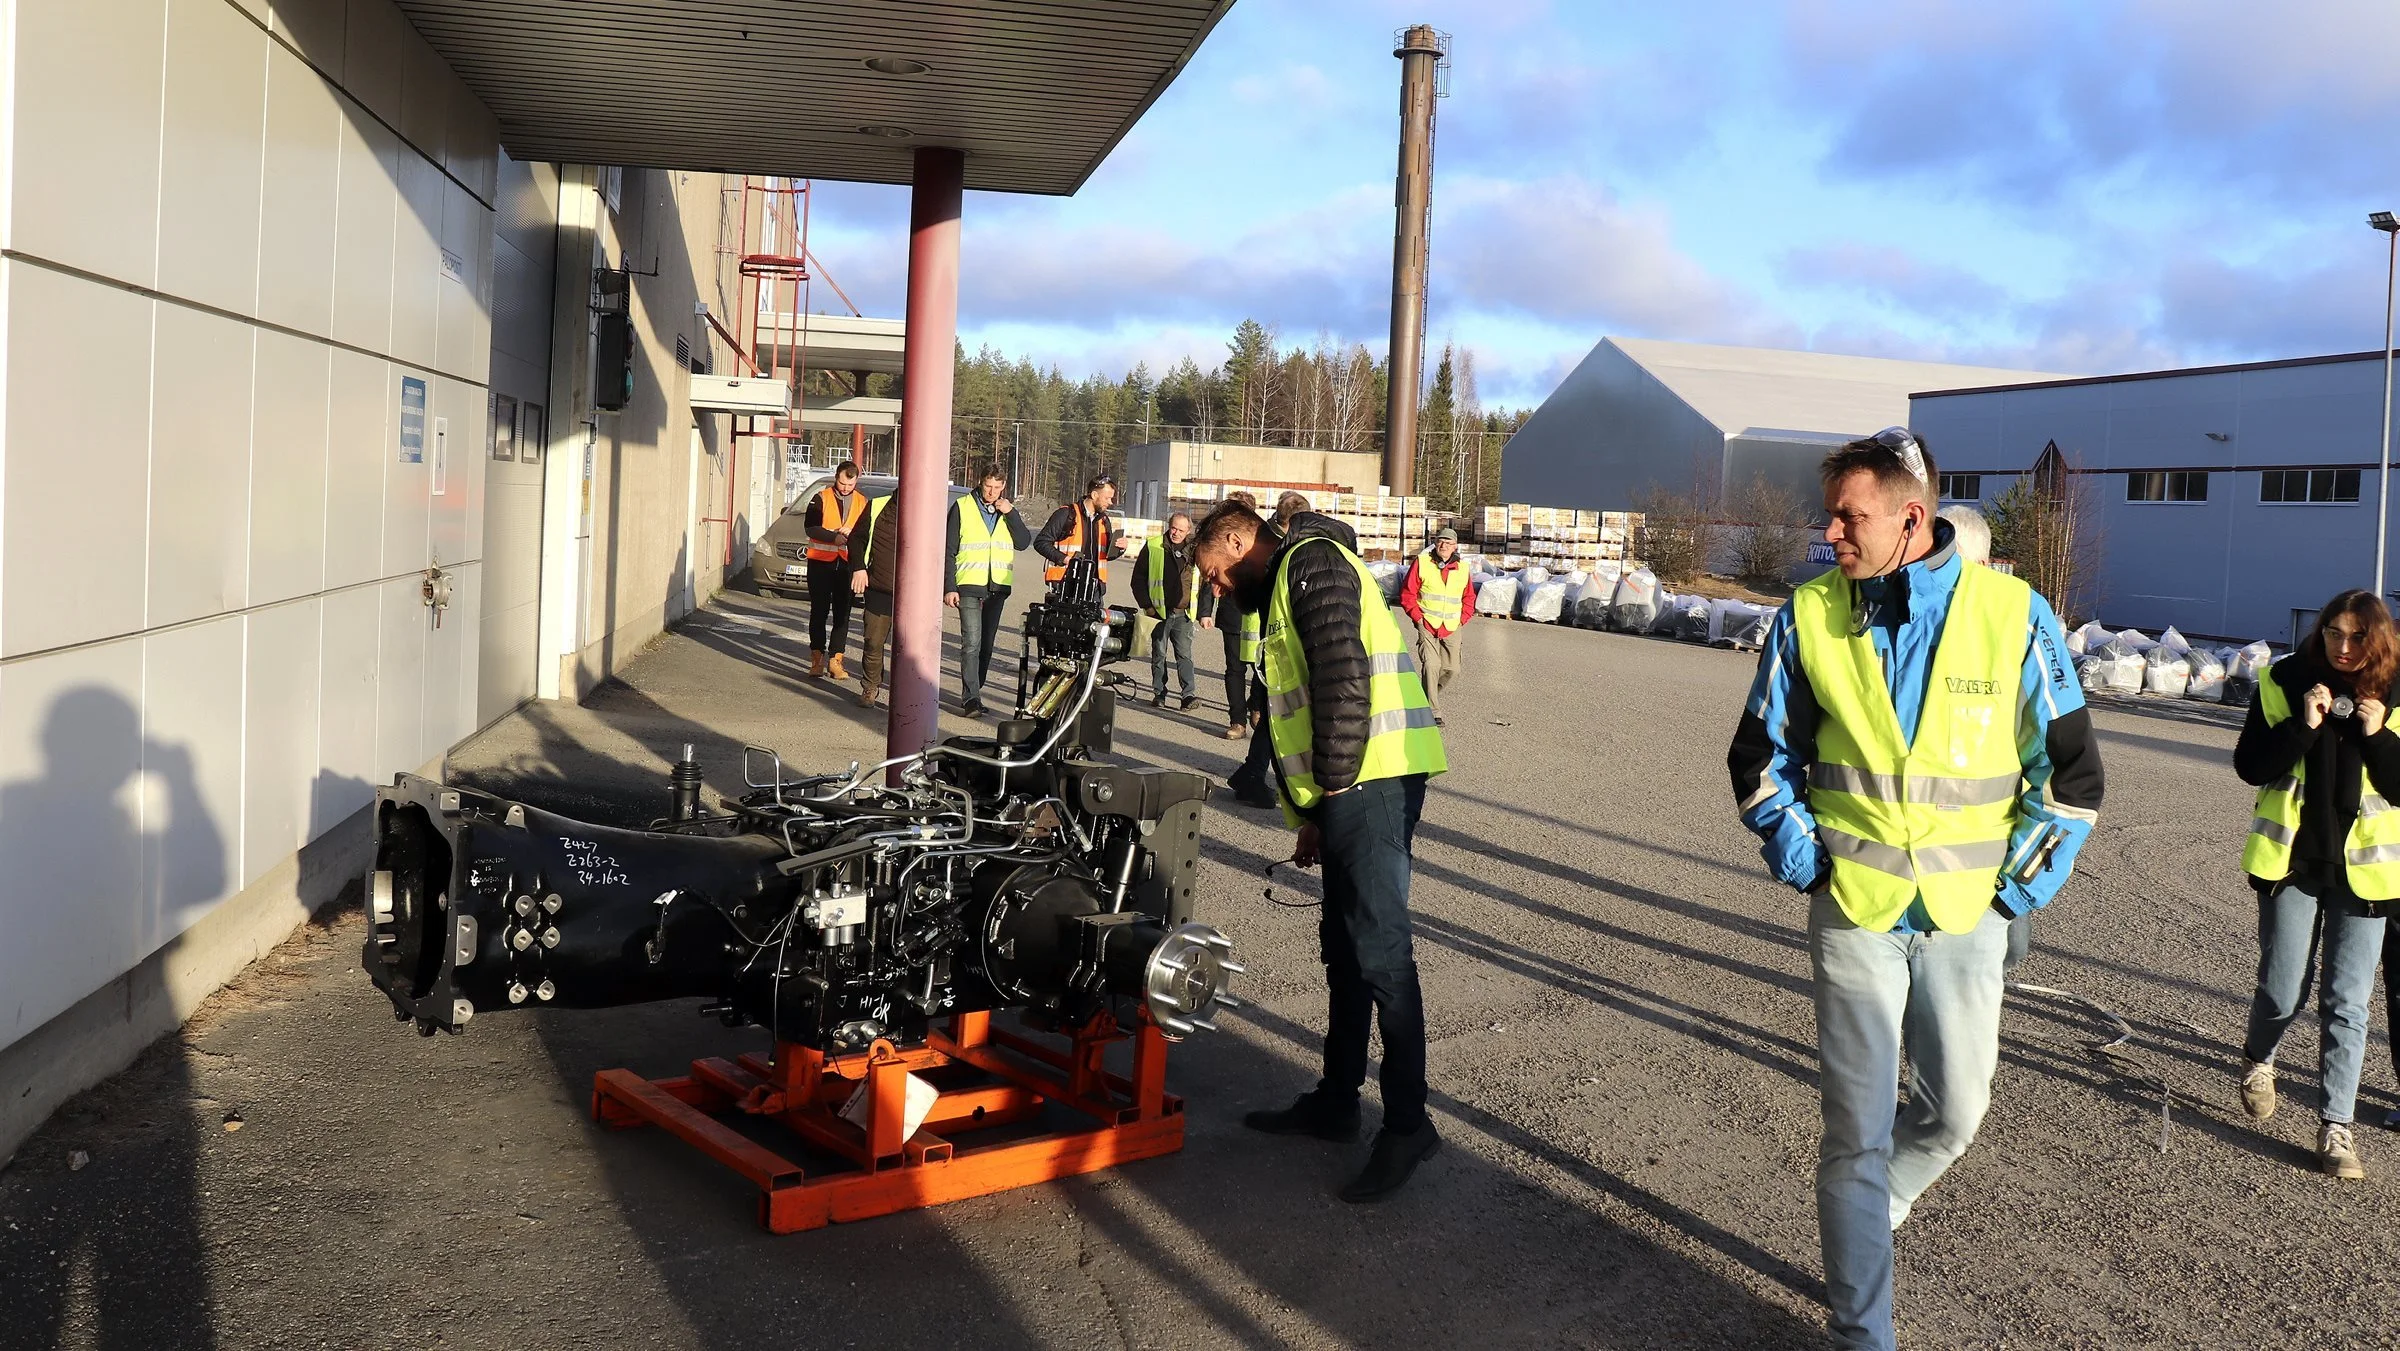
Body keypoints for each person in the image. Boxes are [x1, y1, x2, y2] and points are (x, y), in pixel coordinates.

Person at [1727, 428, 2103, 1351]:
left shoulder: (2013, 614)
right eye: (1832, 516)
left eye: (1849, 516)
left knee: (1958, 1112)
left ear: (1911, 518)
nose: (1831, 533)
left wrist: (2015, 892)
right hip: (1853, 913)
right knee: (1852, 1133)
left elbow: (2072, 776)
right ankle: (1865, 1330)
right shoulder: (1809, 615)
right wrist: (1806, 858)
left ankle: (1880, 1201)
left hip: (1968, 916)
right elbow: (1757, 758)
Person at [1192, 498, 1449, 1202]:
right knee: (1344, 945)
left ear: (1241, 539)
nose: (1217, 589)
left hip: (1373, 779)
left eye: (1217, 573)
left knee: (1381, 950)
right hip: (1351, 785)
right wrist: (1311, 814)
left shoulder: (1309, 567)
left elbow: (1343, 683)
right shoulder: (1290, 581)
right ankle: (1338, 1100)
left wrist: (1331, 797)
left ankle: (1407, 1125)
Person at [2230, 589, 2400, 1178]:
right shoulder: (2284, 681)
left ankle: (2336, 1129)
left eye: (2357, 636)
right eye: (2333, 632)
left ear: (2378, 639)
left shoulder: (2397, 693)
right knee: (2281, 990)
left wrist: (2380, 737)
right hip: (2292, 865)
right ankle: (2259, 1058)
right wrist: (2304, 726)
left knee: (2347, 1004)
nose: (2344, 647)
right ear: (2320, 630)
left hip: (2367, 875)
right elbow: (2251, 765)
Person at [1938, 503, 2030, 979]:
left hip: (1996, 834)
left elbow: (2054, 752)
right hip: (1926, 834)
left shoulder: (2017, 624)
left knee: (2010, 946)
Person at [1225, 492, 1316, 808]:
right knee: (1282, 716)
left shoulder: (1270, 545)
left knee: (1275, 715)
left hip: (1271, 643)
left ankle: (1251, 773)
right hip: (1282, 645)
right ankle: (1255, 776)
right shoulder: (1284, 550)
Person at [947, 468, 1032, 717]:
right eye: (987, 487)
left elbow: (1024, 542)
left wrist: (1011, 513)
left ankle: (977, 690)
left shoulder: (1007, 511)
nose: (991, 492)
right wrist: (949, 587)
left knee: (986, 645)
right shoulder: (962, 507)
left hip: (997, 587)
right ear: (980, 483)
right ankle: (971, 699)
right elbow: (949, 549)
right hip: (969, 585)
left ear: (1003, 486)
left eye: (996, 488)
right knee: (971, 643)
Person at [1398, 527, 1476, 727]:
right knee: (1431, 665)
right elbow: (1408, 593)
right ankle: (1433, 711)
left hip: (1451, 625)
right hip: (1427, 622)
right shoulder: (1422, 563)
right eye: (1441, 541)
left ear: (1455, 546)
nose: (1444, 546)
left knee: (1452, 669)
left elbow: (1469, 597)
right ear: (1435, 542)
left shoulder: (1463, 568)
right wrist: (1417, 617)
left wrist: (1462, 619)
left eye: (1448, 543)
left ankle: (1423, 699)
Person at [803, 461, 869, 680]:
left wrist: (853, 531)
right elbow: (810, 527)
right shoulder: (821, 498)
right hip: (821, 563)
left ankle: (836, 660)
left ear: (856, 481)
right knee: (819, 611)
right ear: (836, 477)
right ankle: (817, 659)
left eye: (850, 484)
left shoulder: (862, 502)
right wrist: (833, 536)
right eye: (842, 483)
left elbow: (867, 532)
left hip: (847, 565)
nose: (845, 488)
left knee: (843, 614)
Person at [1134, 512, 1206, 710]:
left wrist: (1203, 612)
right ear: (1169, 525)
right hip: (1159, 612)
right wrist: (1147, 606)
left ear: (1188, 531)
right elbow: (1138, 580)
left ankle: (1188, 696)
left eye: (1181, 530)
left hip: (1184, 613)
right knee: (1159, 653)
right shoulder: (1154, 546)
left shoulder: (1195, 551)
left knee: (1185, 656)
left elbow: (1205, 581)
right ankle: (1159, 694)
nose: (1176, 533)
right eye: (1173, 528)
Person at [1214, 491, 1264, 741]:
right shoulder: (1221, 538)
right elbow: (1210, 571)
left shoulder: (1263, 538)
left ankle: (1255, 707)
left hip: (1257, 613)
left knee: (1260, 668)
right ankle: (1237, 721)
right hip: (1232, 611)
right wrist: (1204, 610)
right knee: (1234, 669)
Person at [846, 492, 900, 708]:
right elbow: (856, 539)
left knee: (908, 649)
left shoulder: (927, 510)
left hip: (914, 595)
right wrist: (859, 568)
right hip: (879, 588)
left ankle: (904, 693)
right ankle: (870, 687)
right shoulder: (878, 506)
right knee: (873, 642)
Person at [1035, 474, 1127, 584]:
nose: (1110, 502)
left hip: (1094, 587)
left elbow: (1106, 555)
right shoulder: (1066, 514)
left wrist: (1120, 548)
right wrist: (1064, 559)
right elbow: (1041, 542)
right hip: (1065, 583)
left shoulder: (1104, 521)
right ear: (1094, 495)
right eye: (1107, 498)